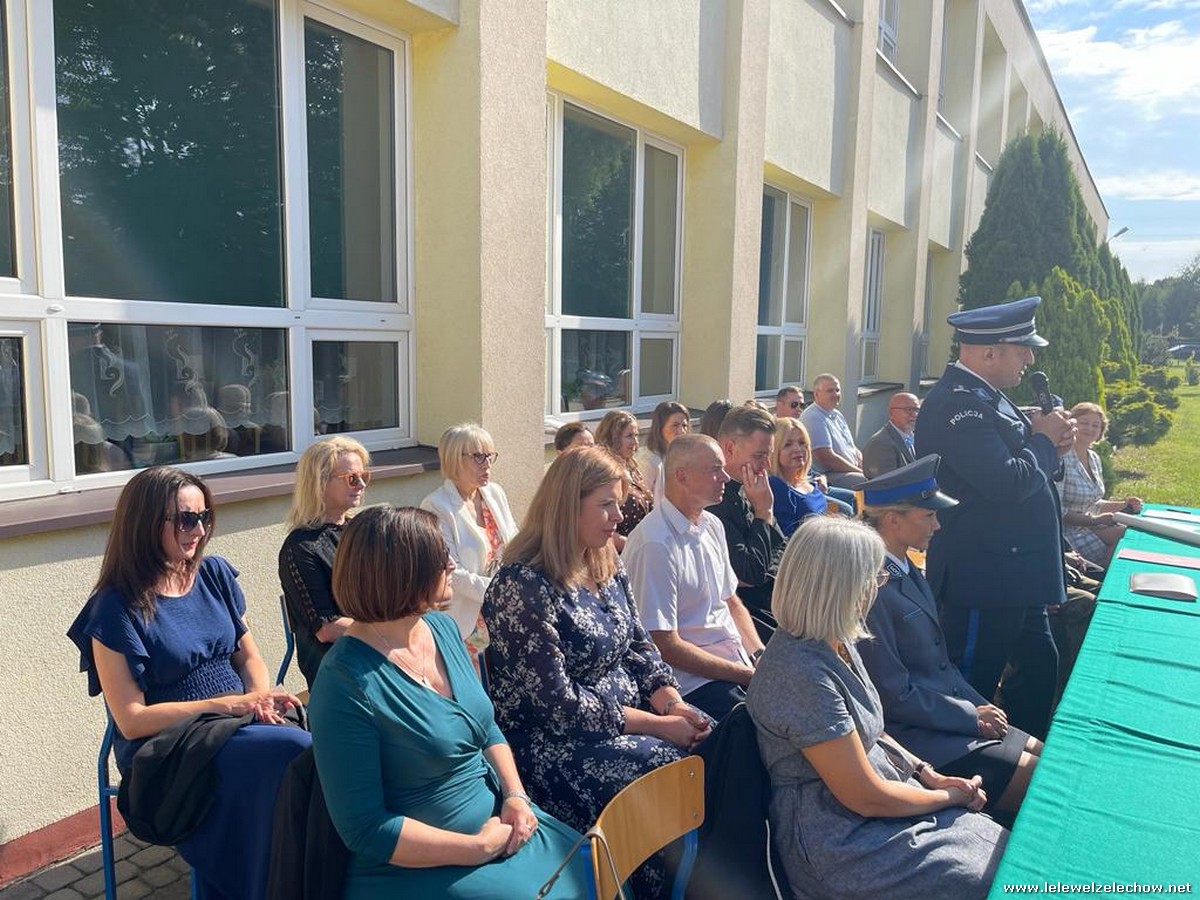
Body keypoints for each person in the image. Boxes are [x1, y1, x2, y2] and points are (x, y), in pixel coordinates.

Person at [307, 506, 586, 899]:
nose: (452, 563)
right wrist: (477, 848)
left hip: (500, 826)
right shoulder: (344, 683)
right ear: (404, 573)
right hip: (419, 869)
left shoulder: (442, 628)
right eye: (441, 557)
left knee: (595, 869)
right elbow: (366, 829)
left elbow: (486, 728)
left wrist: (516, 795)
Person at [67, 466, 311, 900]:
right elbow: (132, 720)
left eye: (204, 517)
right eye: (185, 519)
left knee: (314, 745)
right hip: (171, 748)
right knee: (292, 752)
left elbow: (249, 656)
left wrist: (260, 696)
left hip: (235, 722)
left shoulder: (214, 574)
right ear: (145, 523)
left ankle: (289, 879)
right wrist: (226, 706)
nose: (198, 530)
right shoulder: (114, 608)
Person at [482, 447, 711, 895]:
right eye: (606, 504)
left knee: (713, 742)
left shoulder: (603, 560)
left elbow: (639, 647)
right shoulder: (522, 584)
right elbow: (558, 705)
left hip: (626, 723)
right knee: (666, 766)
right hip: (551, 744)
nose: (618, 517)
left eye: (619, 504)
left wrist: (673, 704)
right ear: (568, 506)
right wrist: (658, 726)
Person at [747, 516, 1007, 899]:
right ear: (839, 586)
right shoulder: (801, 674)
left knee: (998, 850)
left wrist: (928, 774)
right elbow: (864, 796)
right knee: (986, 874)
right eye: (873, 577)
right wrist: (949, 797)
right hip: (841, 839)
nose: (877, 586)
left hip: (878, 807)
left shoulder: (835, 640)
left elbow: (872, 729)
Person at [915, 296, 1077, 740]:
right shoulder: (957, 405)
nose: (1031, 359)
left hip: (1014, 573)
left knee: (1039, 670)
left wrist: (1052, 446)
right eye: (1023, 349)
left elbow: (1029, 469)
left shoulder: (987, 398)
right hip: (984, 575)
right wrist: (1043, 442)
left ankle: (1024, 762)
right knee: (972, 686)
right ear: (990, 352)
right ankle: (969, 769)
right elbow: (1007, 481)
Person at [857, 456, 1043, 826]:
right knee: (1046, 785)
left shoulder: (905, 570)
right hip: (922, 739)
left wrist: (979, 705)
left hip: (949, 719)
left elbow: (942, 666)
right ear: (893, 520)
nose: (938, 525)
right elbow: (893, 695)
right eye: (928, 515)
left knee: (1050, 758)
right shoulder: (873, 589)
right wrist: (971, 716)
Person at [623, 434, 765, 722]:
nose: (726, 477)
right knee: (765, 726)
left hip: (736, 666)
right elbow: (665, 645)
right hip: (694, 684)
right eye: (715, 469)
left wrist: (760, 655)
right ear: (681, 476)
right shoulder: (656, 543)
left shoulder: (712, 525)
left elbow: (731, 602)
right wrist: (748, 675)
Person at [279, 437, 371, 690]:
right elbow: (327, 629)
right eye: (352, 478)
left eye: (364, 476)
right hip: (339, 669)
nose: (362, 484)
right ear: (320, 483)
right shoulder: (300, 548)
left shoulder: (362, 530)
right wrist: (390, 634)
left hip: (377, 653)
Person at [420, 424, 517, 648]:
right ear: (454, 459)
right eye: (478, 457)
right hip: (466, 623)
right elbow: (452, 573)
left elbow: (515, 543)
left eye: (490, 456)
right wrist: (502, 591)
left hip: (504, 615)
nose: (487, 464)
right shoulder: (436, 506)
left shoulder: (495, 493)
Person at [707, 405, 787, 639]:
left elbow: (781, 552)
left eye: (768, 455)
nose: (766, 466)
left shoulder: (750, 487)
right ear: (730, 449)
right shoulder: (713, 499)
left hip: (771, 601)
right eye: (759, 456)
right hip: (742, 618)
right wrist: (763, 512)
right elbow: (750, 573)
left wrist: (766, 514)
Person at [1057, 401, 1143, 568]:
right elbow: (1057, 510)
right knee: (1125, 537)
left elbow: (1093, 502)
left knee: (1132, 533)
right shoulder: (1060, 458)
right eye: (1084, 423)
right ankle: (1101, 576)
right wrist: (1095, 520)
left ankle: (1103, 572)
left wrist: (1123, 504)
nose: (1090, 429)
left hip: (1090, 526)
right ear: (1071, 425)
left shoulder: (1094, 458)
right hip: (1066, 534)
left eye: (1095, 425)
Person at [768, 417, 851, 535]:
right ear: (775, 450)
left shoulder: (807, 481)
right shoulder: (777, 486)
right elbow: (788, 537)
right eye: (787, 444)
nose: (798, 449)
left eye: (802, 443)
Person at [594, 409, 653, 549]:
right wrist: (632, 546)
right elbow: (597, 525)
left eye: (637, 435)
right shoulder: (604, 473)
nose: (636, 442)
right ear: (612, 438)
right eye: (629, 436)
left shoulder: (632, 468)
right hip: (619, 552)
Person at [800, 373, 868, 489]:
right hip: (830, 475)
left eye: (837, 390)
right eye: (830, 391)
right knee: (869, 483)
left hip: (849, 469)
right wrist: (859, 471)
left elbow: (851, 447)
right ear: (816, 394)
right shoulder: (813, 417)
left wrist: (864, 466)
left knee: (881, 475)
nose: (835, 394)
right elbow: (826, 458)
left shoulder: (837, 415)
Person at [862, 392, 920, 478]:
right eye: (908, 410)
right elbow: (886, 482)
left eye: (917, 410)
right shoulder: (882, 444)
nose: (915, 414)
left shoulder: (912, 436)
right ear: (891, 414)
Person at [643, 400, 690, 504]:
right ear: (660, 427)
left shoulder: (686, 458)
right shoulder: (649, 460)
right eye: (675, 425)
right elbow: (644, 499)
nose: (681, 431)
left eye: (684, 426)